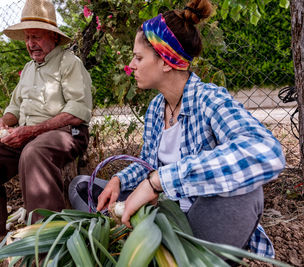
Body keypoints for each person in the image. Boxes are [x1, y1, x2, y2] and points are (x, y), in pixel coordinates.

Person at [69, 0, 285, 261]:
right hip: (164, 213)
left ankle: (175, 253)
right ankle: (147, 245)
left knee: (248, 190)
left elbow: (266, 151)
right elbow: (148, 165)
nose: (131, 65)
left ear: (166, 62)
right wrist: (119, 181)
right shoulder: (156, 108)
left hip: (199, 220)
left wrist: (159, 181)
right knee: (81, 187)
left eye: (138, 57)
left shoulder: (209, 100)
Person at [0, 0, 92, 265]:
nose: (30, 43)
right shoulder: (28, 70)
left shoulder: (69, 63)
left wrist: (31, 131)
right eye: (27, 38)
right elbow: (14, 108)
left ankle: (46, 240)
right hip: (29, 136)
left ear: (53, 36)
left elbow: (78, 112)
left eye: (35, 36)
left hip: (67, 133)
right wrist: (3, 123)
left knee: (34, 152)